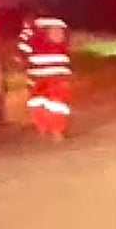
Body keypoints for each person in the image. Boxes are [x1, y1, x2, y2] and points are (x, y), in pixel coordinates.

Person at [17, 9, 73, 141]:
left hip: (37, 73)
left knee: (38, 101)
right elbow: (67, 46)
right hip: (59, 71)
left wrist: (23, 62)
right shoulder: (61, 25)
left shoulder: (31, 28)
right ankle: (57, 131)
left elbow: (23, 49)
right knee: (58, 102)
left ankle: (42, 128)